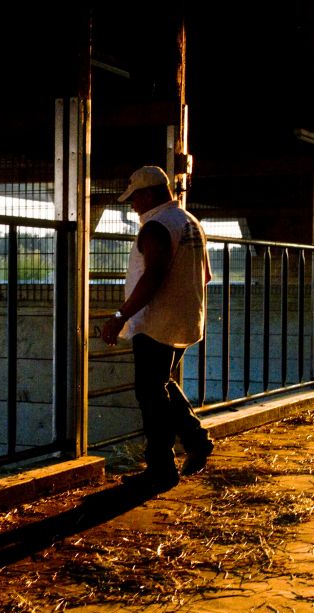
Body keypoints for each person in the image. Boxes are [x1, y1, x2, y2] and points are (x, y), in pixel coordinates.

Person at [100, 165, 215, 491]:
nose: (131, 205)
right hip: (187, 320)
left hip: (157, 323)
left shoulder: (156, 227)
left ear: (148, 194)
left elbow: (153, 277)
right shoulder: (191, 223)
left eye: (134, 198)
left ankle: (161, 468)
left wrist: (121, 315)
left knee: (149, 394)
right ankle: (196, 439)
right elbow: (205, 276)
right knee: (160, 385)